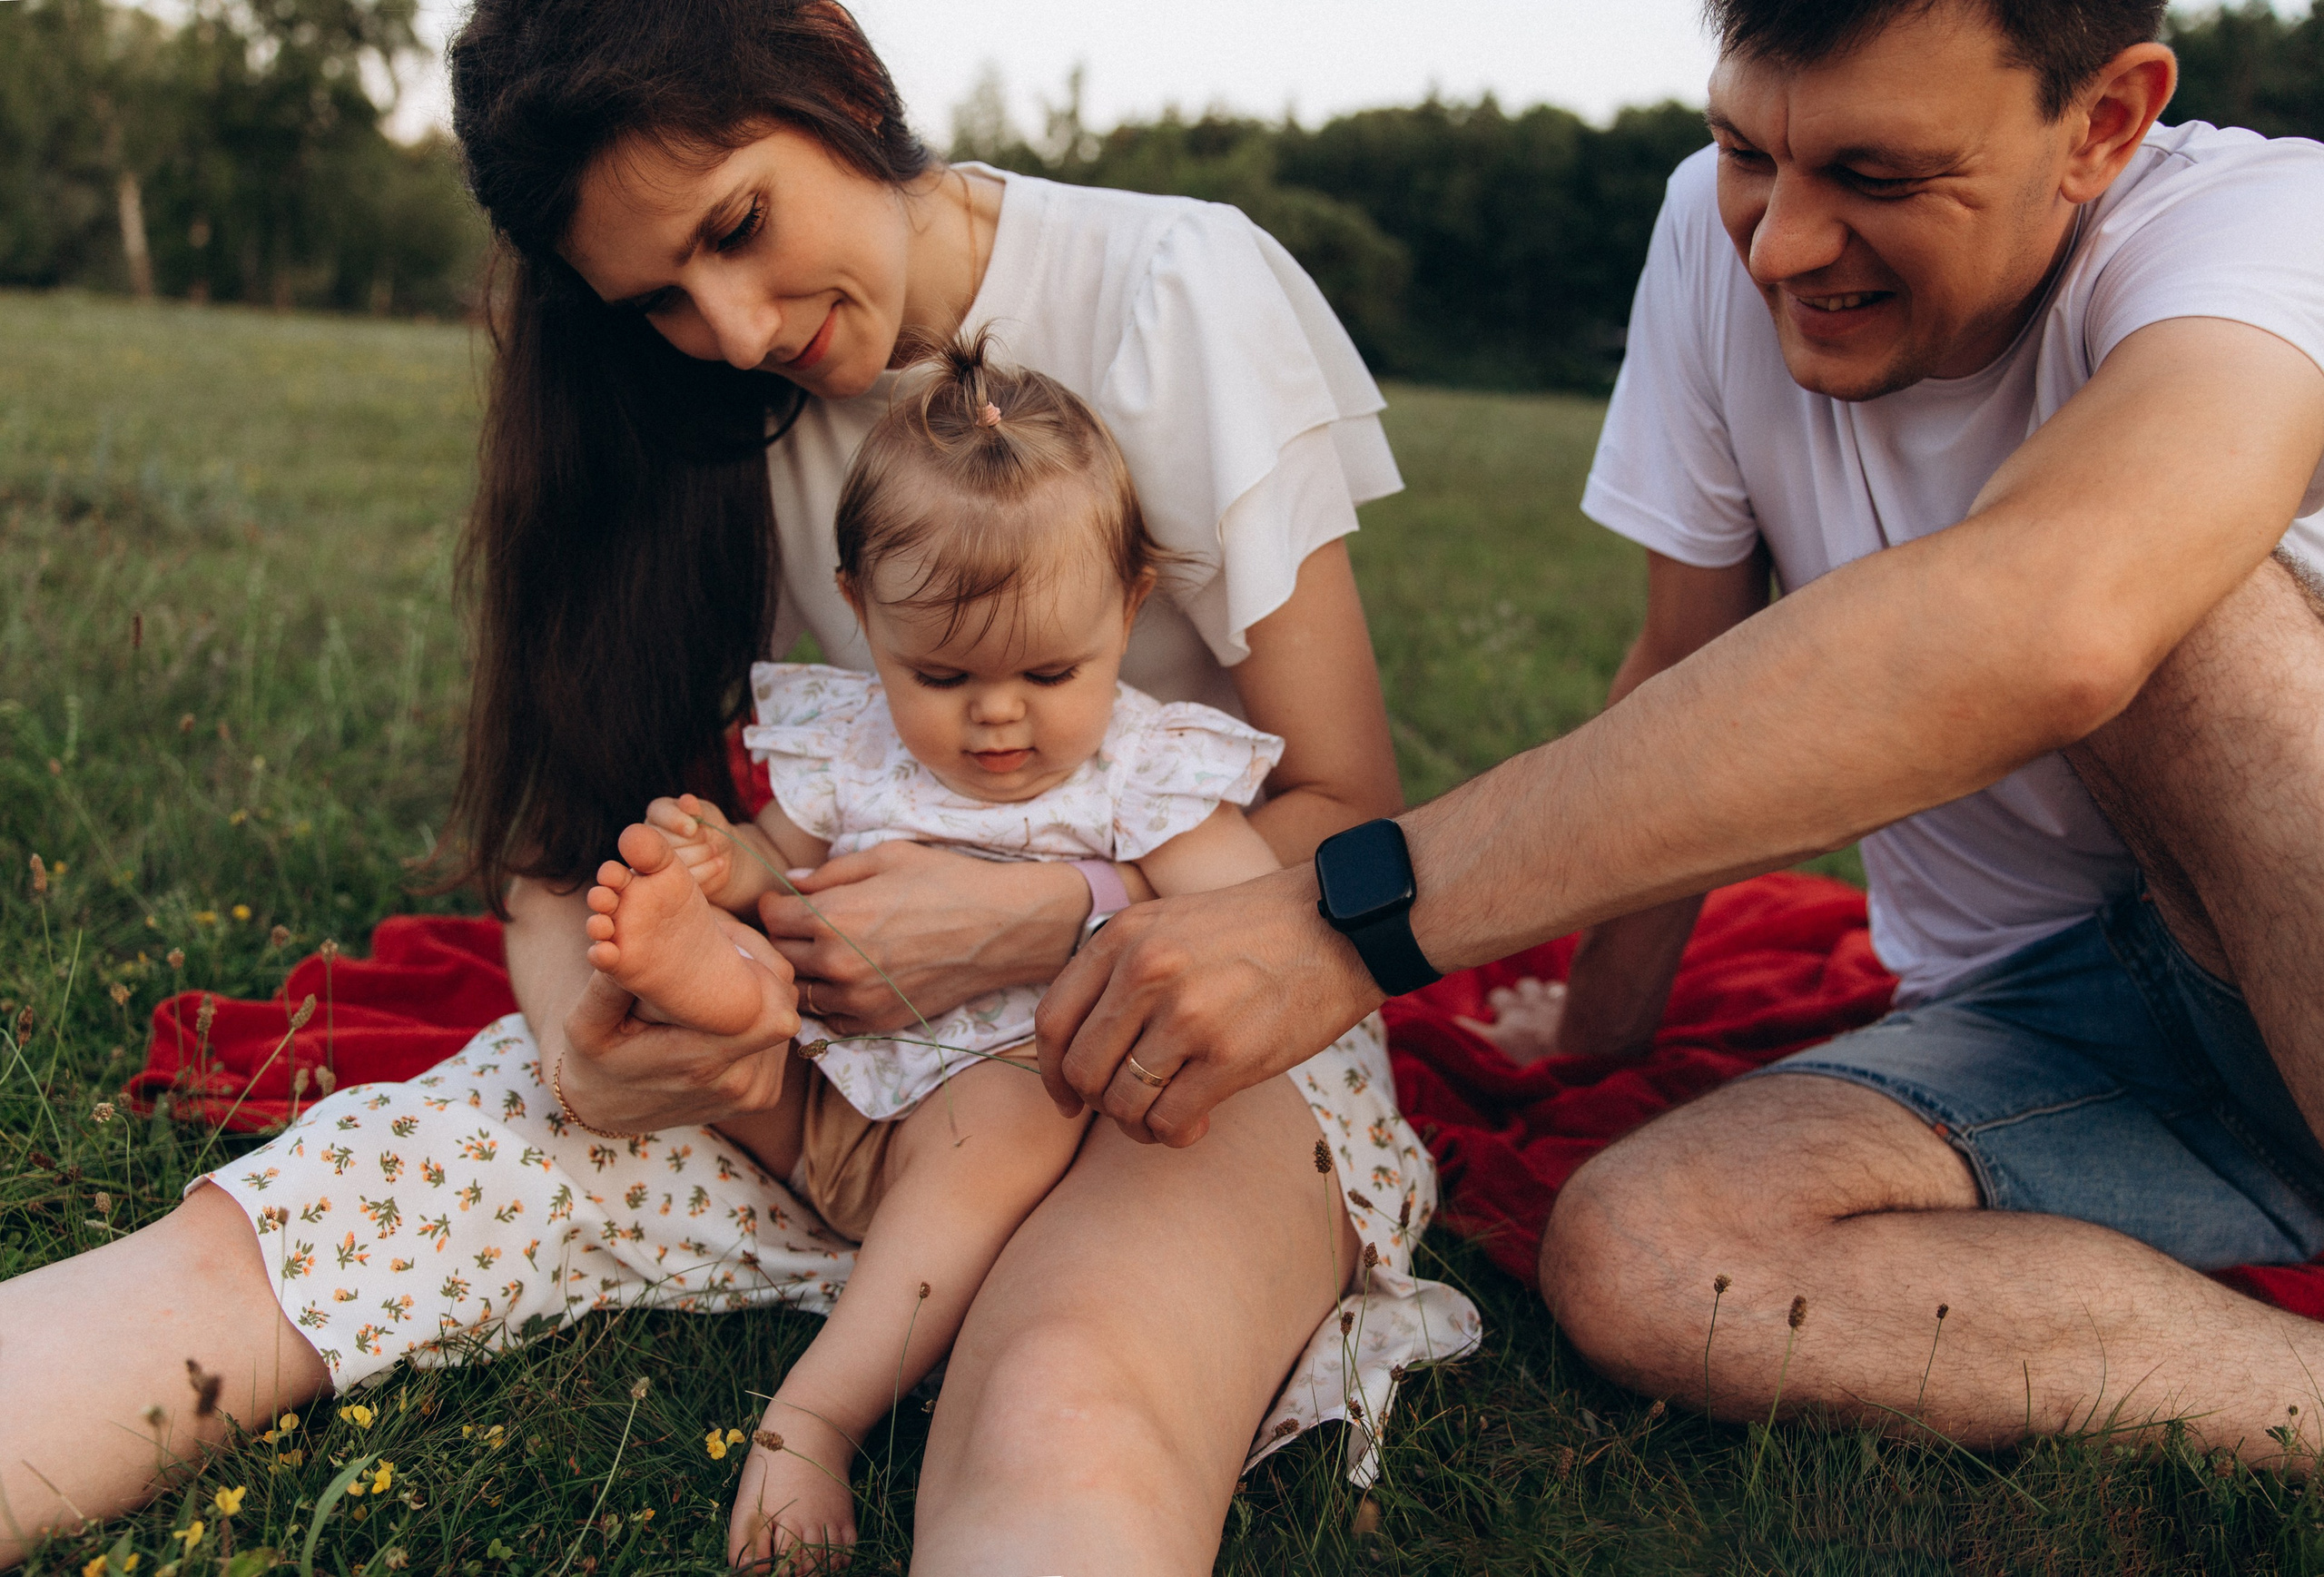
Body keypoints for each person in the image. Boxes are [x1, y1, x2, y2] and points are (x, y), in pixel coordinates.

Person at [0, 1, 1476, 1570]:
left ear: (832, 82)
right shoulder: (697, 386)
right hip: (833, 1056)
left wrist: (1050, 912)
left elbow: (1342, 826)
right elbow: (577, 828)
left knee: (1063, 1401)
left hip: (1197, 1037)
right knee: (313, 1219)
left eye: (742, 225)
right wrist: (591, 1051)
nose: (741, 327)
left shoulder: (1175, 293)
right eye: (662, 297)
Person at [1036, 0, 2324, 1462]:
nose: (1779, 243)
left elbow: (2062, 616)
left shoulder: (2262, 234)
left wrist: (1344, 924)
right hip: (2047, 1022)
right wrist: (1593, 1037)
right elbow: (1682, 665)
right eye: (1743, 150)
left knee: (2187, 614)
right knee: (1648, 1254)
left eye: (1879, 178)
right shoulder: (1717, 243)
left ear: (2103, 123)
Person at [587, 333, 1297, 1565]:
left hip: (973, 1122)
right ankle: (706, 982)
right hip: (808, 1078)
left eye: (1050, 669)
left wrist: (1104, 908)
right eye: (942, 671)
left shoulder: (1139, 770)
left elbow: (1253, 921)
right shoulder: (853, 740)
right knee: (746, 991)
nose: (998, 712)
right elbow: (782, 859)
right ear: (861, 613)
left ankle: (812, 1414)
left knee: (1011, 1112)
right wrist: (730, 867)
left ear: (1128, 609)